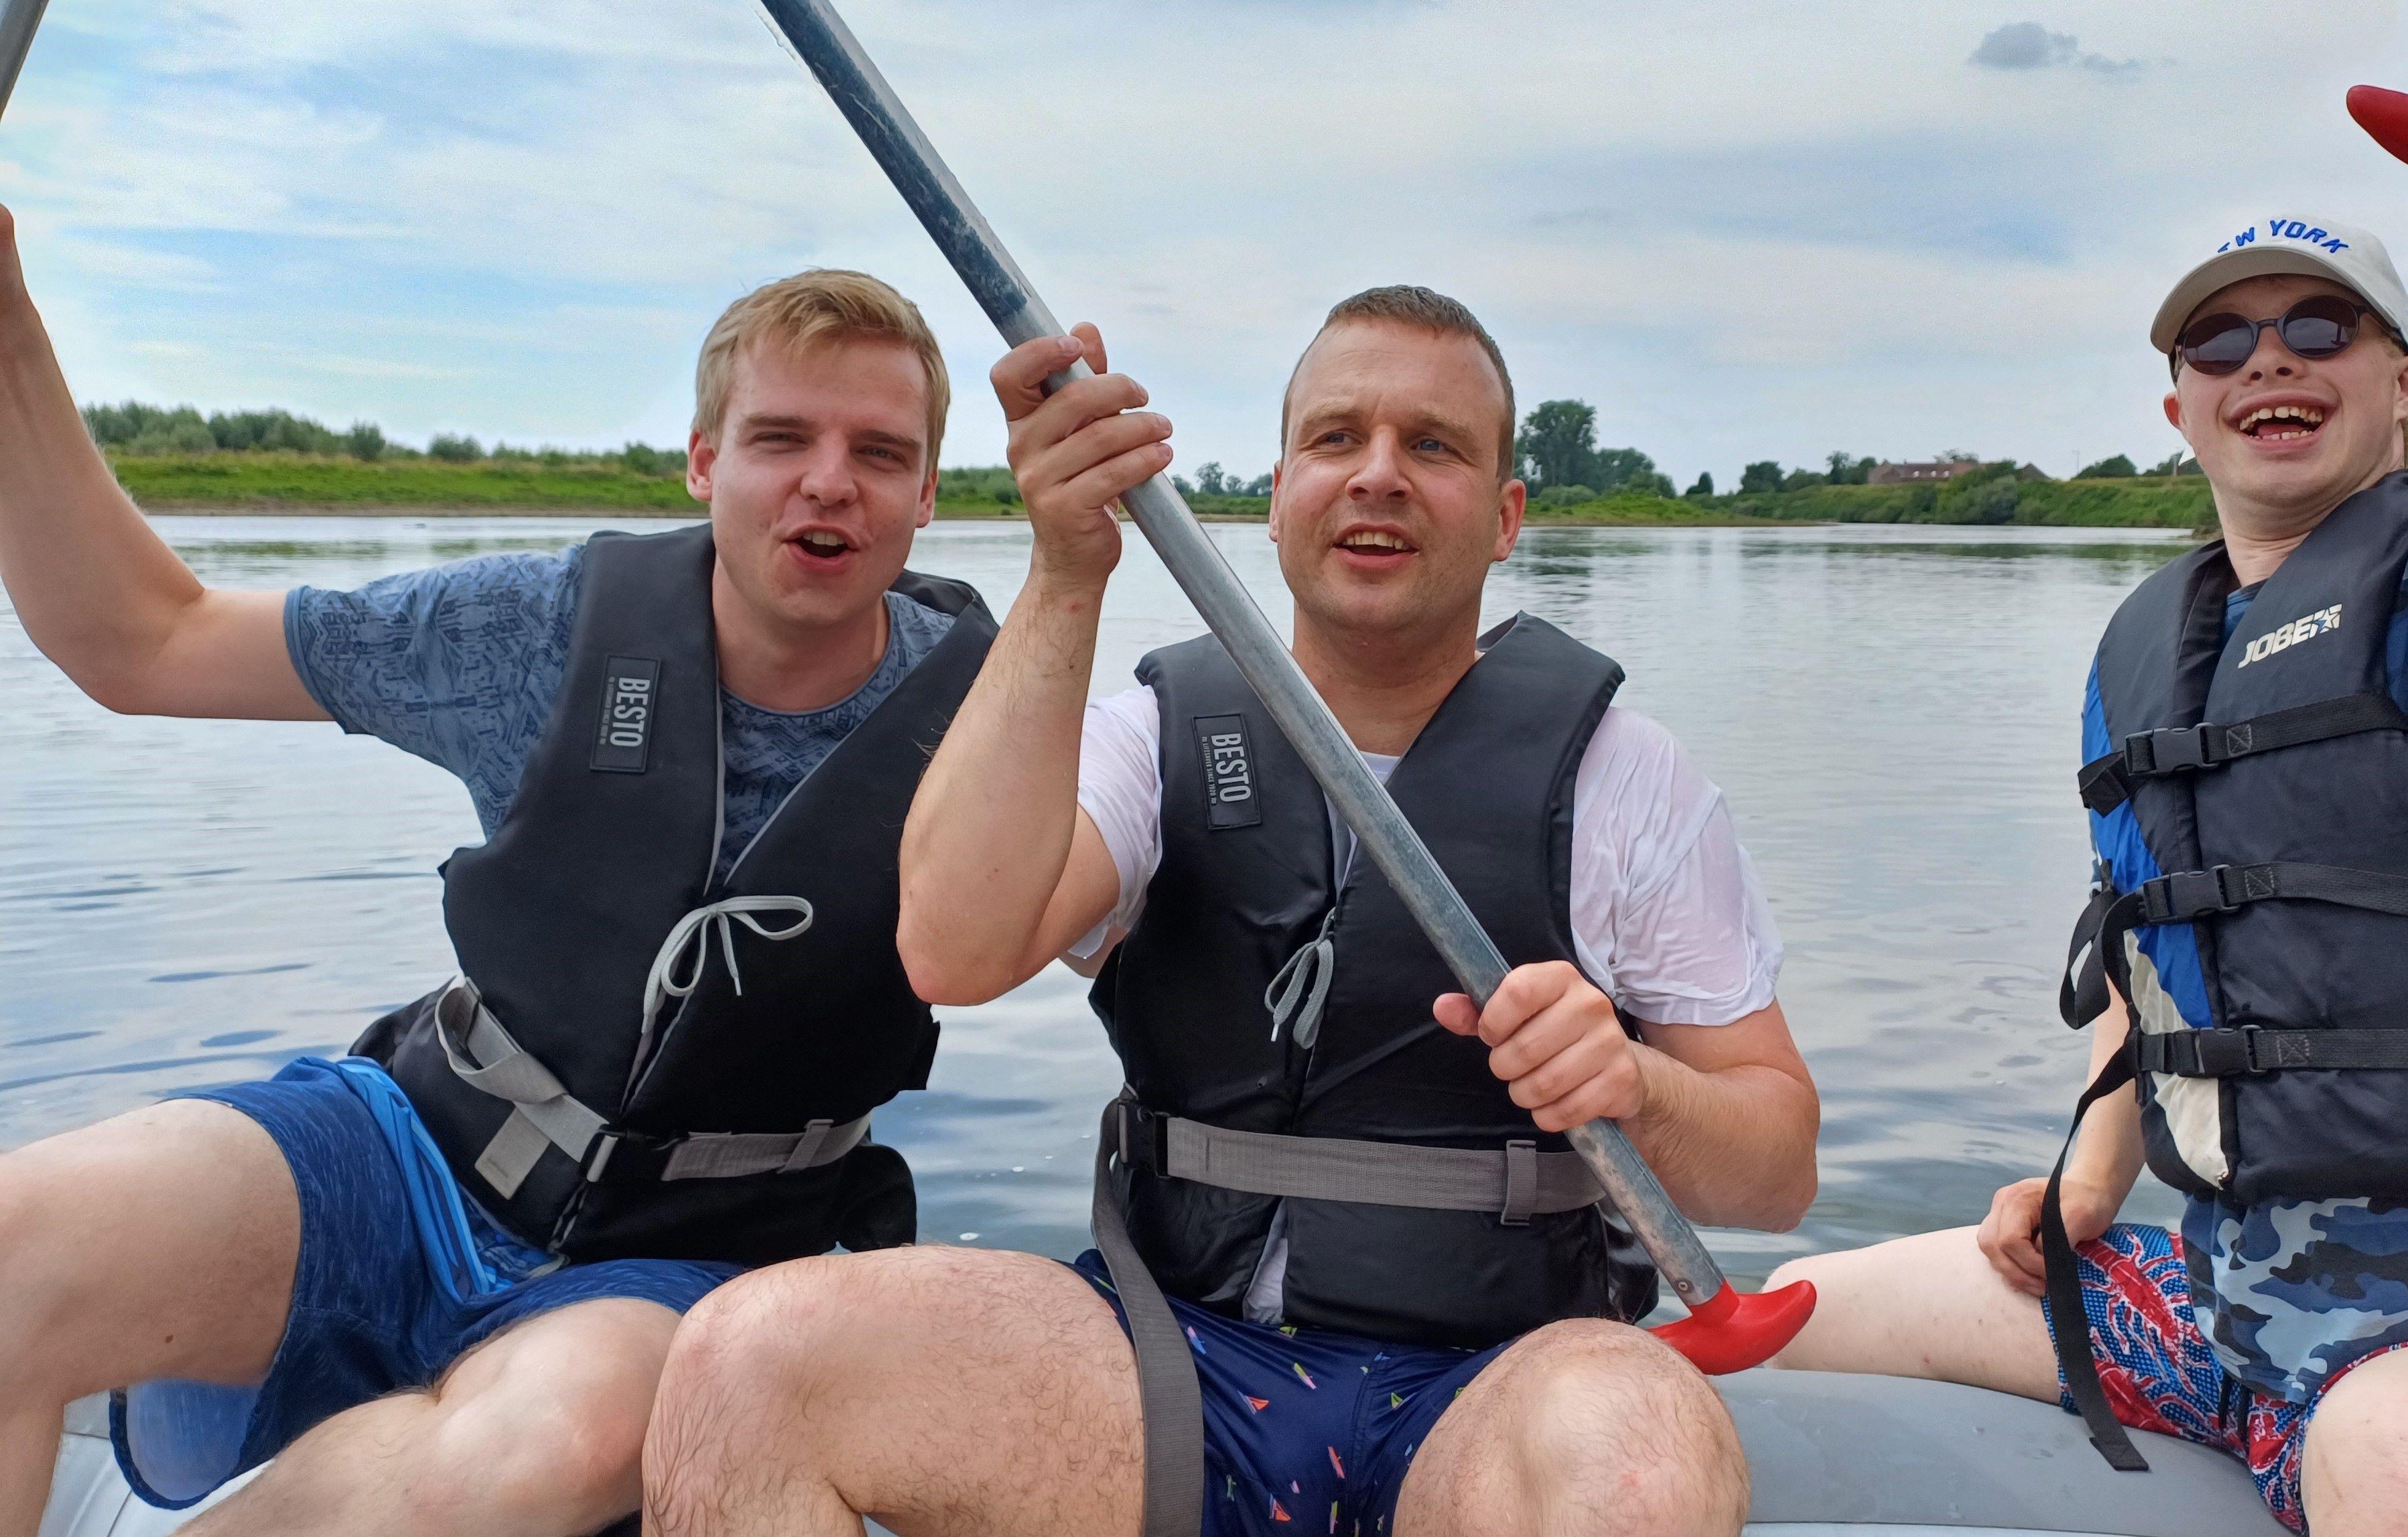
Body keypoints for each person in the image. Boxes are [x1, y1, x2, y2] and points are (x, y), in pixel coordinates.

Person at [640, 285, 1820, 1537]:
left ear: (1507, 516)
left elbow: (1778, 1166)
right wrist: (1066, 571)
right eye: (1335, 439)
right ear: (1273, 495)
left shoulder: (1632, 786)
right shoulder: (1149, 740)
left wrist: (1637, 1083)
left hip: (1493, 1382)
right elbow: (950, 949)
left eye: (1433, 445)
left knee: (1642, 1455)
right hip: (1166, 1362)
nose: (1378, 476)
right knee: (744, 1362)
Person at [1767, 5, 2408, 1534]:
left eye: (2320, 328)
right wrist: (2083, 1180)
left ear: (2406, 379)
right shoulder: (2144, 656)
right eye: (2220, 337)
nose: (2269, 358)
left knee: (2402, 1466)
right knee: (1775, 1310)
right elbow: (2148, 950)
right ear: (2173, 400)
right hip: (2222, 1305)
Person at [0, 231, 996, 1536]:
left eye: (879, 454)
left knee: (559, 1439)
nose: (828, 484)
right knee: (22, 1236)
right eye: (777, 440)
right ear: (703, 463)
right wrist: (11, 325)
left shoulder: (997, 722)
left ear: (929, 494)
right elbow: (148, 642)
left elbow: (1125, 913)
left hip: (701, 1249)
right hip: (415, 1148)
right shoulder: (540, 626)